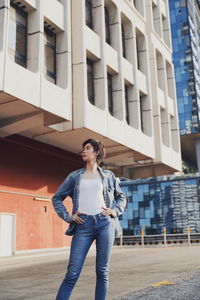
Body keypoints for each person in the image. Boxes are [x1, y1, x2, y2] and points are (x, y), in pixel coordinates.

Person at [52, 138, 127, 300]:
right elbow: (57, 198)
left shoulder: (108, 175)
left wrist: (114, 211)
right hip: (82, 225)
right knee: (72, 273)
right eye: (83, 149)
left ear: (96, 152)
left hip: (104, 224)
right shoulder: (74, 176)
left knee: (102, 271)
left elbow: (121, 196)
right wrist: (68, 217)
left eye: (87, 148)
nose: (83, 151)